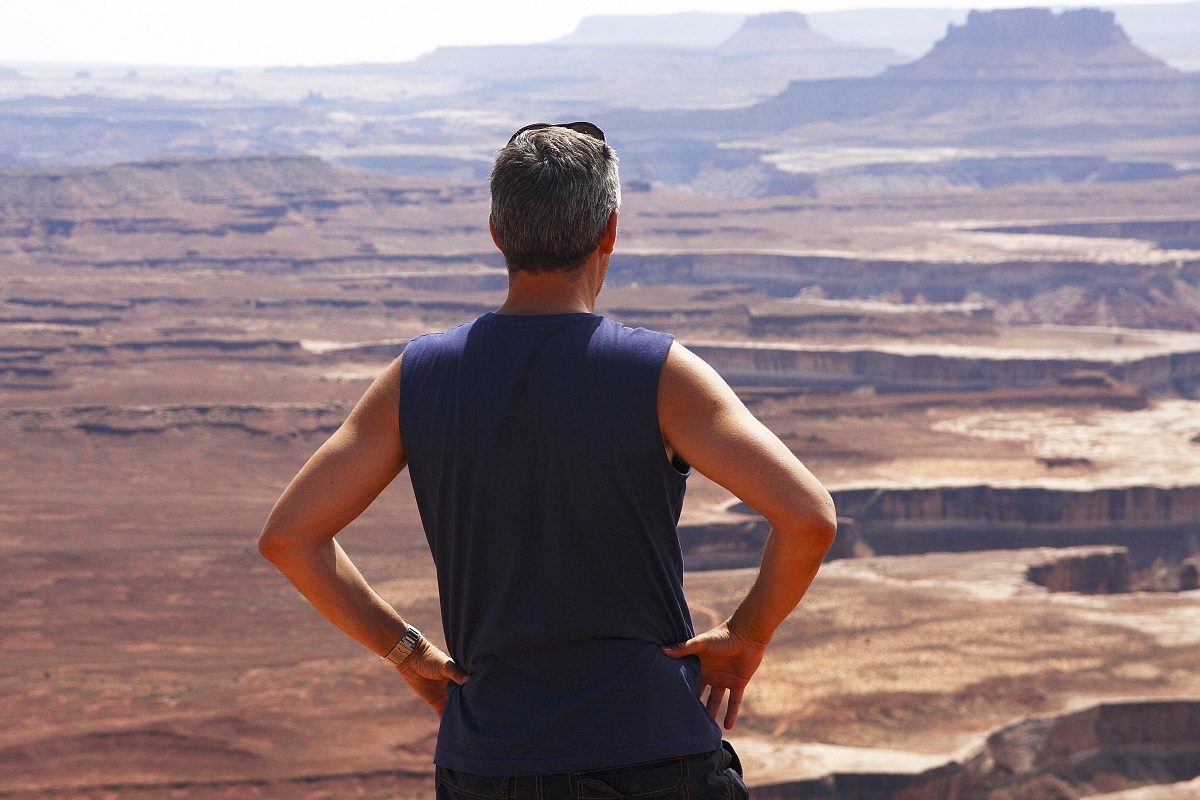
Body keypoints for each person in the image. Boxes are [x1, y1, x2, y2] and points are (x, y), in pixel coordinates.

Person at [258, 121, 837, 799]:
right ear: (610, 233)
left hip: (490, 761)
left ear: (498, 232)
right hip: (654, 752)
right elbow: (808, 518)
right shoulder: (660, 375)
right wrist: (747, 634)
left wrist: (407, 653)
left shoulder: (417, 379)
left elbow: (290, 537)